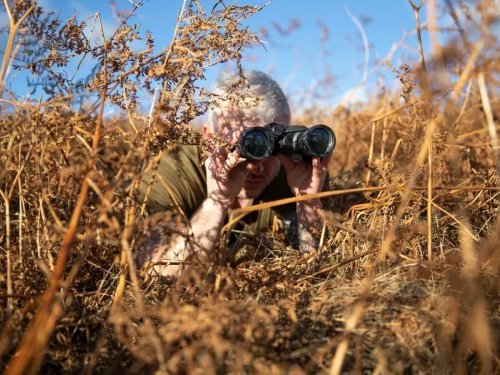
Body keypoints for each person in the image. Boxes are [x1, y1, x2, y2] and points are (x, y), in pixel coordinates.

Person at [136, 70, 331, 279]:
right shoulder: (173, 173)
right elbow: (159, 273)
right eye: (247, 148)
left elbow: (317, 270)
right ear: (209, 138)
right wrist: (216, 202)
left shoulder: (297, 171)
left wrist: (307, 201)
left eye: (271, 149)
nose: (258, 167)